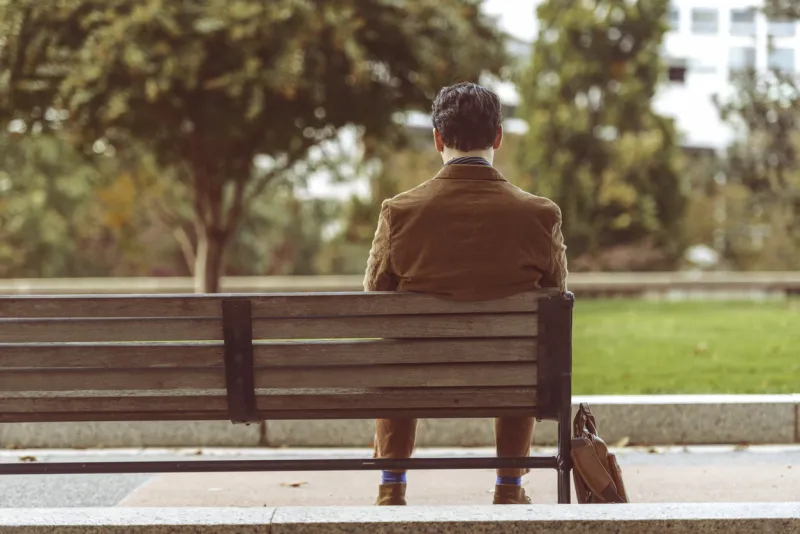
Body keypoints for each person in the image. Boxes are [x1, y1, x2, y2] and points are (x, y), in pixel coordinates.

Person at [363, 81, 568, 506]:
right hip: (508, 377)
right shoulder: (539, 215)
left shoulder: (399, 213)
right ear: (497, 137)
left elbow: (374, 297)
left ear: (438, 138)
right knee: (521, 352)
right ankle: (509, 487)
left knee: (396, 352)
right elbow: (555, 298)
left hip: (416, 377)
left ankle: (391, 485)